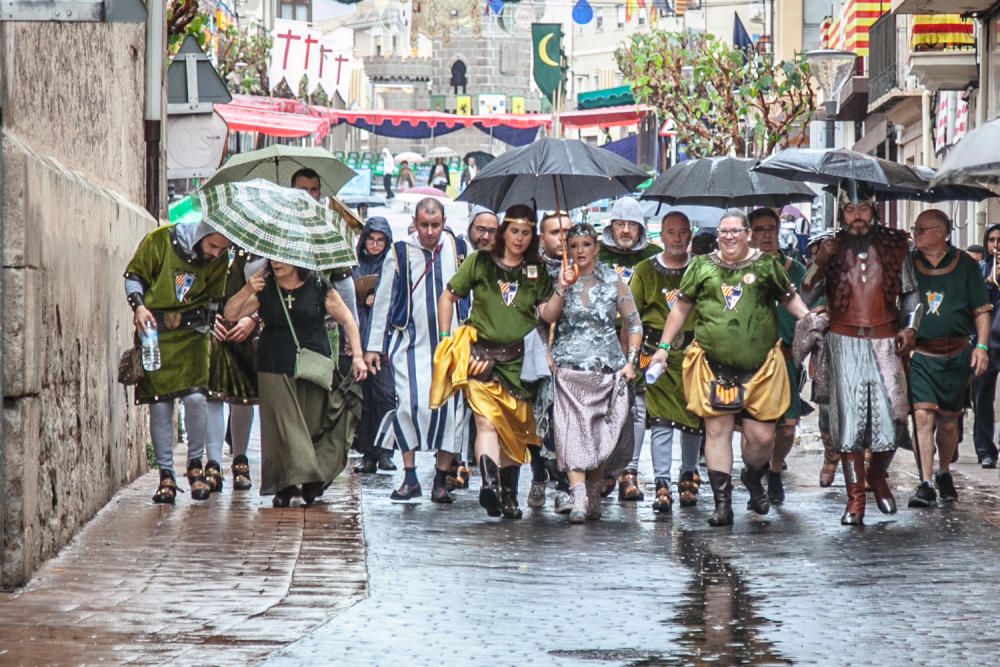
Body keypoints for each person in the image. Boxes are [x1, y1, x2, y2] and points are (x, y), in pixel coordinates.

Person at [648, 210, 810, 527]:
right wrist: (663, 349)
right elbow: (680, 308)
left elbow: (790, 299)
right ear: (718, 235)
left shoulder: (766, 265)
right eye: (724, 232)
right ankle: (723, 504)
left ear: (747, 234)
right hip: (713, 364)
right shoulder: (702, 266)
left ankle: (752, 477)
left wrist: (808, 320)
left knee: (761, 438)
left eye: (736, 231)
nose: (729, 237)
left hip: (760, 367)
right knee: (717, 431)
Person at [434, 205, 573, 519]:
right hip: (480, 357)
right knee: (486, 421)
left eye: (526, 233)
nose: (519, 239)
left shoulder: (535, 270)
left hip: (520, 363)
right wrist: (447, 340)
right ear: (503, 232)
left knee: (514, 431)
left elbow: (547, 315)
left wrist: (562, 287)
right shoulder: (480, 262)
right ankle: (489, 484)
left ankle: (508, 496)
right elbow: (448, 296)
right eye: (514, 231)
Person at [800, 181, 921, 526]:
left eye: (863, 209)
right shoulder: (828, 248)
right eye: (850, 210)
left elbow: (912, 296)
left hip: (885, 339)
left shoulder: (897, 246)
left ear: (874, 211)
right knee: (848, 422)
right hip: (843, 341)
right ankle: (855, 498)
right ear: (841, 213)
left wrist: (909, 328)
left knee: (892, 421)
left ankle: (878, 476)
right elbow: (805, 296)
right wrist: (820, 261)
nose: (857, 217)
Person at [224, 260, 367, 507]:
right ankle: (285, 485)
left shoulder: (318, 286)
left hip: (312, 365)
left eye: (282, 259)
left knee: (312, 425)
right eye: (272, 259)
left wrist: (357, 356)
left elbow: (348, 320)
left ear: (296, 259)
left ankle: (314, 476)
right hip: (273, 364)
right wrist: (247, 289)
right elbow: (231, 313)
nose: (276, 264)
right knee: (283, 428)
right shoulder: (265, 287)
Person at [364, 198, 470, 503]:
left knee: (451, 412)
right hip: (408, 344)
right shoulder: (400, 252)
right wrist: (374, 347)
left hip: (451, 346)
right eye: (424, 225)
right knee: (409, 407)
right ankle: (410, 477)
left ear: (444, 222)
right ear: (415, 221)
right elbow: (383, 299)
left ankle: (440, 479)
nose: (429, 232)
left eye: (435, 225)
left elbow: (471, 296)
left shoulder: (459, 249)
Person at [124, 221, 230, 504]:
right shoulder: (159, 241)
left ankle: (195, 465)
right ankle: (166, 476)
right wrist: (139, 306)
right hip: (156, 334)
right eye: (213, 246)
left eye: (223, 248)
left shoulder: (219, 259)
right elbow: (134, 276)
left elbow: (213, 298)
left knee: (196, 399)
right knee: (160, 404)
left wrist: (213, 323)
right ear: (201, 236)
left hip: (193, 335)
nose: (217, 253)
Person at [549, 224, 640, 522]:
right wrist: (562, 287)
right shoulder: (558, 278)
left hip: (606, 369)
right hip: (568, 369)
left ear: (596, 248)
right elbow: (545, 318)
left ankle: (593, 492)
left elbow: (634, 324)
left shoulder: (613, 281)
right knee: (571, 433)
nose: (579, 251)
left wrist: (631, 361)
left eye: (585, 244)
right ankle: (577, 498)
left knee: (602, 438)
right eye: (573, 245)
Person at [906, 209, 990, 507]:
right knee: (922, 416)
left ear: (941, 232)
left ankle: (943, 472)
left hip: (956, 354)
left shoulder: (965, 264)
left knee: (949, 422)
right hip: (921, 354)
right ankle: (925, 482)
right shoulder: (908, 263)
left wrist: (981, 347)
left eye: (921, 229)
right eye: (915, 229)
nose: (915, 233)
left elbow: (981, 310)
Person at [629, 211, 703, 513]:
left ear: (690, 235)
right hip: (655, 353)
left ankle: (688, 473)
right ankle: (662, 482)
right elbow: (630, 316)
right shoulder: (646, 270)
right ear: (662, 237)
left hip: (692, 353)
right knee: (660, 419)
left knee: (692, 418)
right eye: (671, 232)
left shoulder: (700, 269)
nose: (677, 238)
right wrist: (631, 359)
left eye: (682, 232)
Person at [598, 196, 663, 501]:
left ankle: (630, 473)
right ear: (611, 225)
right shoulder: (594, 253)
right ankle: (603, 470)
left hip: (639, 341)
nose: (625, 230)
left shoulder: (653, 257)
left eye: (631, 225)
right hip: (600, 339)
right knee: (600, 409)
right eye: (620, 224)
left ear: (641, 228)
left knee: (636, 409)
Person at [747, 208, 808, 505]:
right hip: (752, 361)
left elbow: (811, 309)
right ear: (749, 234)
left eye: (771, 228)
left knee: (786, 427)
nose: (766, 235)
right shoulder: (740, 269)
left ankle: (773, 470)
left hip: (785, 359)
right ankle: (754, 475)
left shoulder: (794, 269)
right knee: (755, 428)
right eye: (759, 229)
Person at [528, 210, 575, 514]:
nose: (563, 238)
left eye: (567, 231)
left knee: (568, 421)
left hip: (574, 354)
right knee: (536, 420)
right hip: (538, 349)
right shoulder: (532, 269)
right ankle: (537, 475)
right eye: (555, 232)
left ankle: (565, 485)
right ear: (542, 237)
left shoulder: (582, 265)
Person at [208, 247, 260, 491]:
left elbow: (272, 289)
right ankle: (213, 464)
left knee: (243, 396)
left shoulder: (260, 252)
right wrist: (207, 317)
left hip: (245, 330)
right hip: (213, 327)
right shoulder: (212, 249)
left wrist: (253, 319)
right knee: (213, 395)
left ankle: (241, 460)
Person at [351, 217, 397, 474]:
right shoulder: (354, 265)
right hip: (358, 338)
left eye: (381, 240)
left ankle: (386, 450)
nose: (376, 244)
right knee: (364, 399)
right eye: (372, 239)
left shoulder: (393, 265)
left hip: (384, 343)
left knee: (386, 396)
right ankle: (368, 452)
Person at [972, 223, 1000, 468]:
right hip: (986, 343)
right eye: (991, 240)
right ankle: (985, 450)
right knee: (982, 398)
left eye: (999, 240)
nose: (996, 245)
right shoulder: (980, 270)